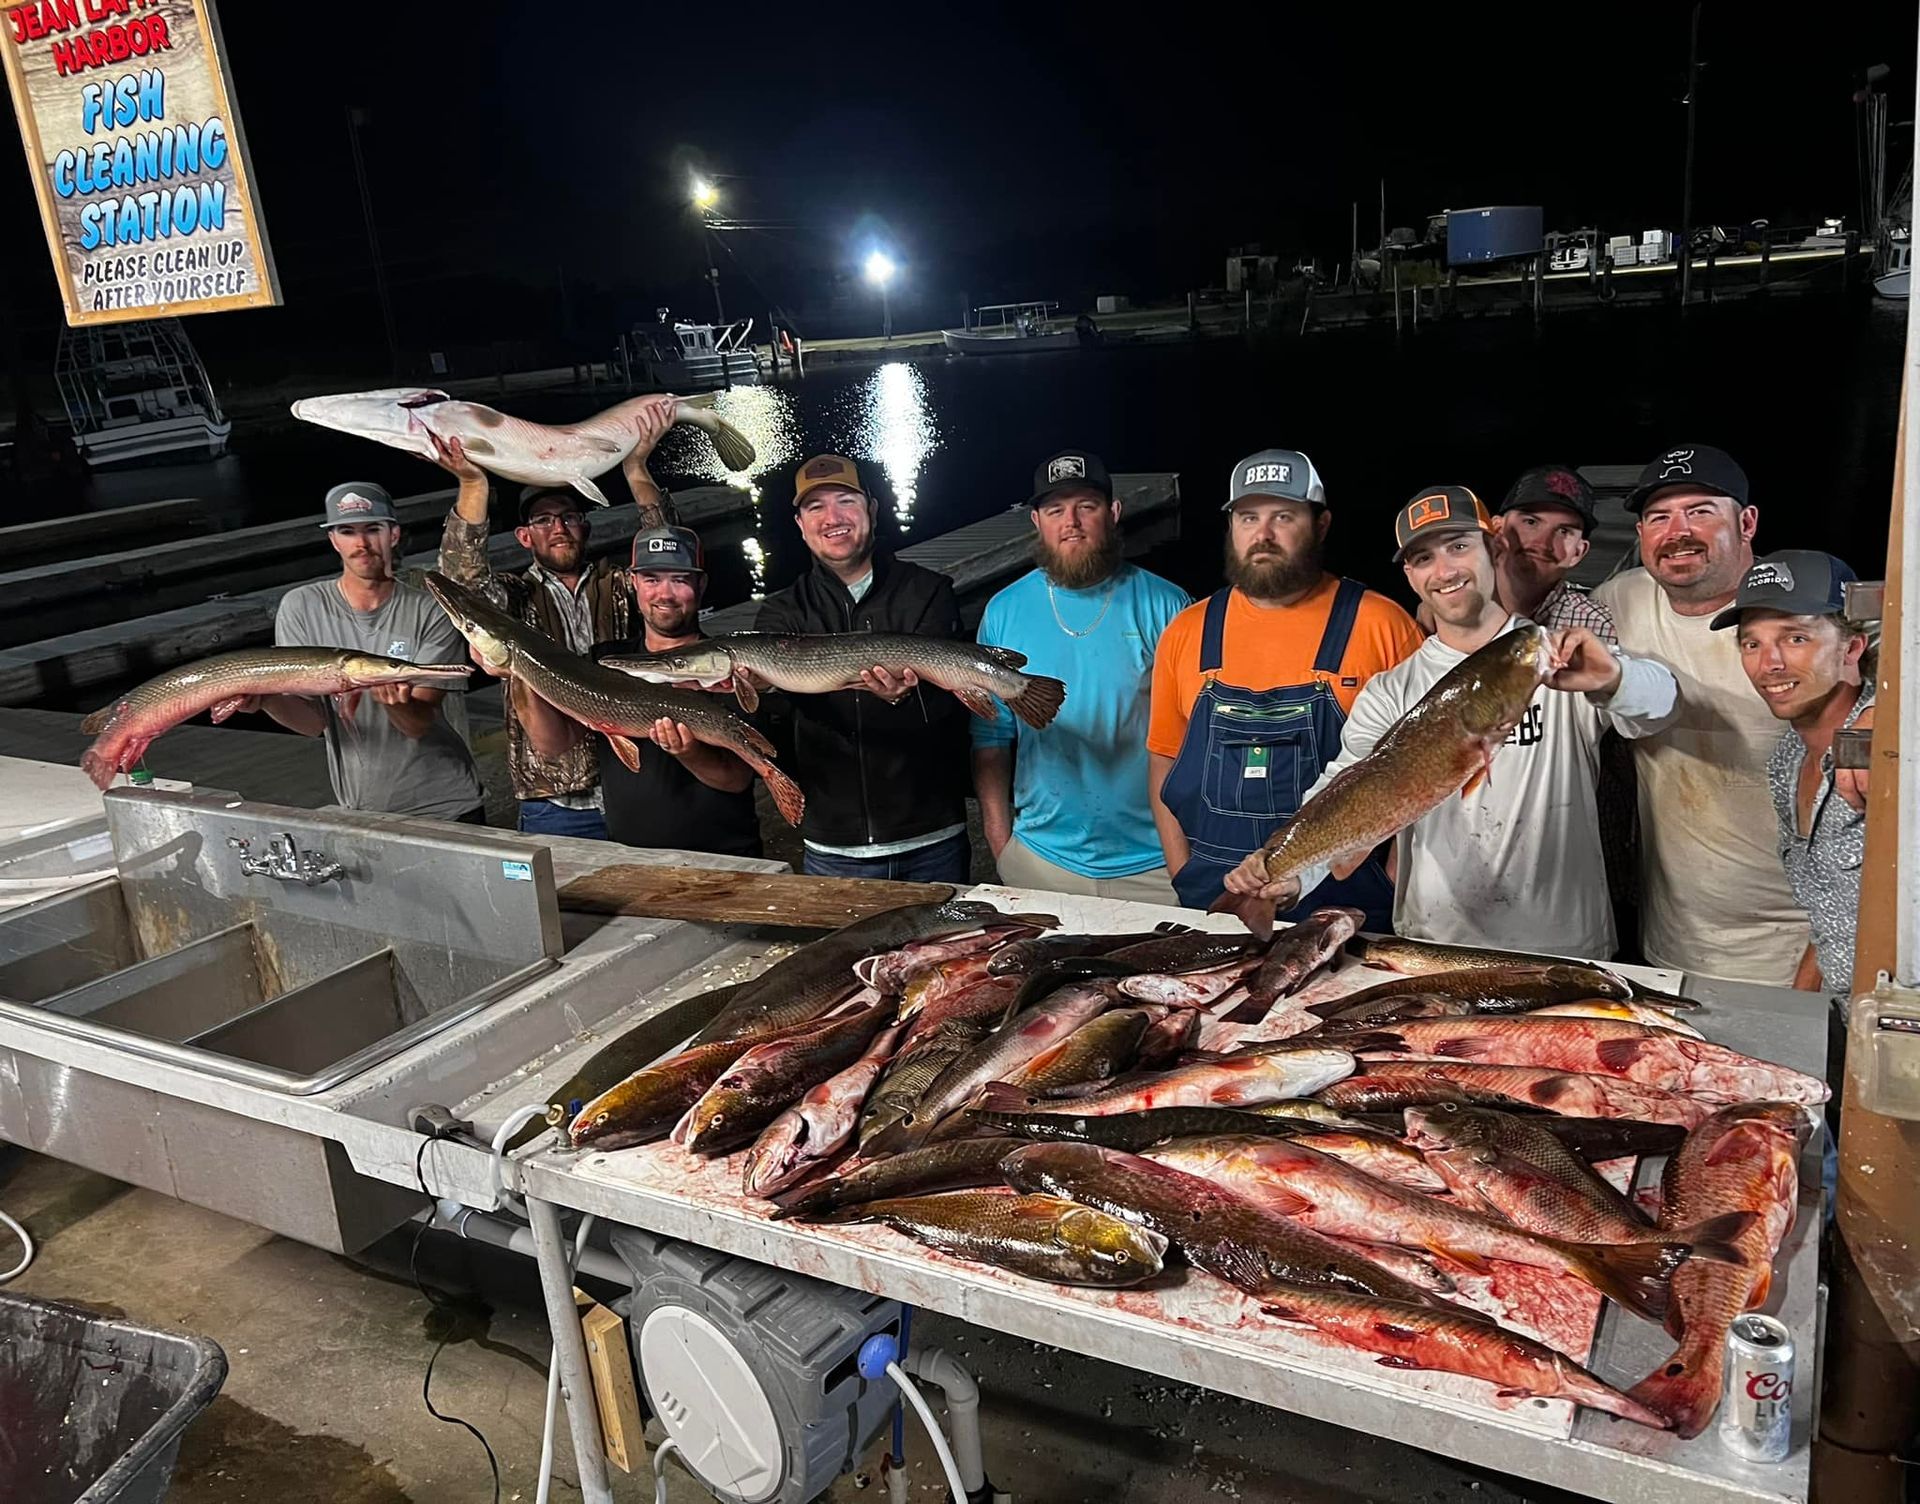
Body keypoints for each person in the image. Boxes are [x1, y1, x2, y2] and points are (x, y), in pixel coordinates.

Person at [1223, 486, 1681, 957]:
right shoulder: (1391, 689)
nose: (1444, 571)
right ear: (1410, 574)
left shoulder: (1553, 655)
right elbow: (1345, 787)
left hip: (1562, 943)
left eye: (1459, 546)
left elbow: (1662, 703)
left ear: (1496, 547)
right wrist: (1290, 871)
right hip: (1432, 941)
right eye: (1423, 558)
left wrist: (1613, 678)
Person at [1147, 449, 1425, 925]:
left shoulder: (1382, 625)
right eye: (1248, 517)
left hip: (1349, 898)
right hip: (1217, 894)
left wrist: (1396, 880)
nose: (1264, 534)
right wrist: (1182, 869)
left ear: (1321, 525)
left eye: (1284, 516)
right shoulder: (1188, 631)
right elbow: (1164, 760)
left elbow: (1420, 772)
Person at [1592, 444, 1811, 984]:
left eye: (1701, 511)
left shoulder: (1803, 610)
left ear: (1748, 522)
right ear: (1641, 534)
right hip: (1671, 943)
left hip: (1800, 946)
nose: (1677, 531)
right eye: (1659, 517)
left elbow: (1882, 669)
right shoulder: (1621, 602)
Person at [434, 393, 679, 839]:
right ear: (525, 537)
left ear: (585, 526)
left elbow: (665, 553)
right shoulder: (512, 597)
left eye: (568, 516)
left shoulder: (619, 583)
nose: (559, 527)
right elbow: (462, 580)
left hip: (635, 781)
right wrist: (474, 486)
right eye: (544, 521)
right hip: (553, 797)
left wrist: (636, 468)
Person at [972, 450, 1190, 902]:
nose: (1070, 521)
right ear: (1036, 520)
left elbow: (1197, 737)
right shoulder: (1003, 611)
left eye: (1085, 506)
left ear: (1112, 513)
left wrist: (1186, 858)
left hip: (1154, 863)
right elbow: (991, 738)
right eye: (1055, 510)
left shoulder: (1169, 606)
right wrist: (999, 840)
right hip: (1041, 859)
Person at [756, 455, 972, 882]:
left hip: (931, 834)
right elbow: (780, 719)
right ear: (800, 523)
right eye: (815, 507)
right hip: (834, 844)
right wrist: (752, 692)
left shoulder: (928, 591)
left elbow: (952, 709)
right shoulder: (781, 613)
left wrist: (904, 699)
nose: (832, 518)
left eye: (846, 501)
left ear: (871, 510)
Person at [515, 526, 762, 858]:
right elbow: (553, 744)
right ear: (633, 583)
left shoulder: (728, 669)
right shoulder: (605, 662)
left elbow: (737, 780)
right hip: (631, 859)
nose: (665, 594)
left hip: (725, 856)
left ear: (701, 584)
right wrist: (521, 667)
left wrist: (690, 753)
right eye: (652, 579)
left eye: (679, 579)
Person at [255, 481, 485, 822]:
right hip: (363, 810)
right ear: (334, 540)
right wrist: (264, 699)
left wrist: (397, 705)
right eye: (347, 531)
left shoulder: (431, 610)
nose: (361, 544)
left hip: (448, 804)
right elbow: (314, 723)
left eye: (373, 529)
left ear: (393, 534)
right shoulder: (300, 607)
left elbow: (418, 725)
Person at [1716, 550, 1874, 996]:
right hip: (1846, 1017)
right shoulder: (1787, 758)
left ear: (1852, 649)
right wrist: (1798, 1013)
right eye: (1753, 643)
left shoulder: (1890, 748)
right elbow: (1832, 914)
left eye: (1796, 638)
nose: (1771, 664)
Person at [1490, 464, 1618, 642]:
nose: (1543, 543)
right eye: (1531, 522)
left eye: (1564, 531)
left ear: (1578, 553)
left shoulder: (1594, 626)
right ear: (1497, 530)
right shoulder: (1451, 600)